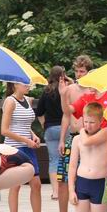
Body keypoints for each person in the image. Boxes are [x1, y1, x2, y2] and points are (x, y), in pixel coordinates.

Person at [0, 82, 54, 212]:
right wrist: (25, 140)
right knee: (15, 185)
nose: (28, 85)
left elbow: (24, 125)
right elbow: (4, 130)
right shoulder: (10, 101)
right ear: (15, 85)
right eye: (24, 83)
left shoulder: (27, 100)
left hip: (28, 148)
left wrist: (33, 135)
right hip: (14, 148)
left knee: (36, 184)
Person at [50, 55, 93, 212]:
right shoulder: (70, 89)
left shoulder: (93, 90)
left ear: (89, 72)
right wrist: (62, 139)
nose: (79, 74)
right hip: (72, 136)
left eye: (82, 71)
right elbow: (66, 115)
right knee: (63, 178)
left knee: (82, 180)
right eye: (77, 71)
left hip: (88, 138)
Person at [35, 66, 65, 200]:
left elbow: (39, 112)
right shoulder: (65, 90)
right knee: (67, 159)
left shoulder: (46, 91)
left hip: (50, 128)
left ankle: (56, 192)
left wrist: (43, 124)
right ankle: (68, 190)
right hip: (65, 128)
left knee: (54, 160)